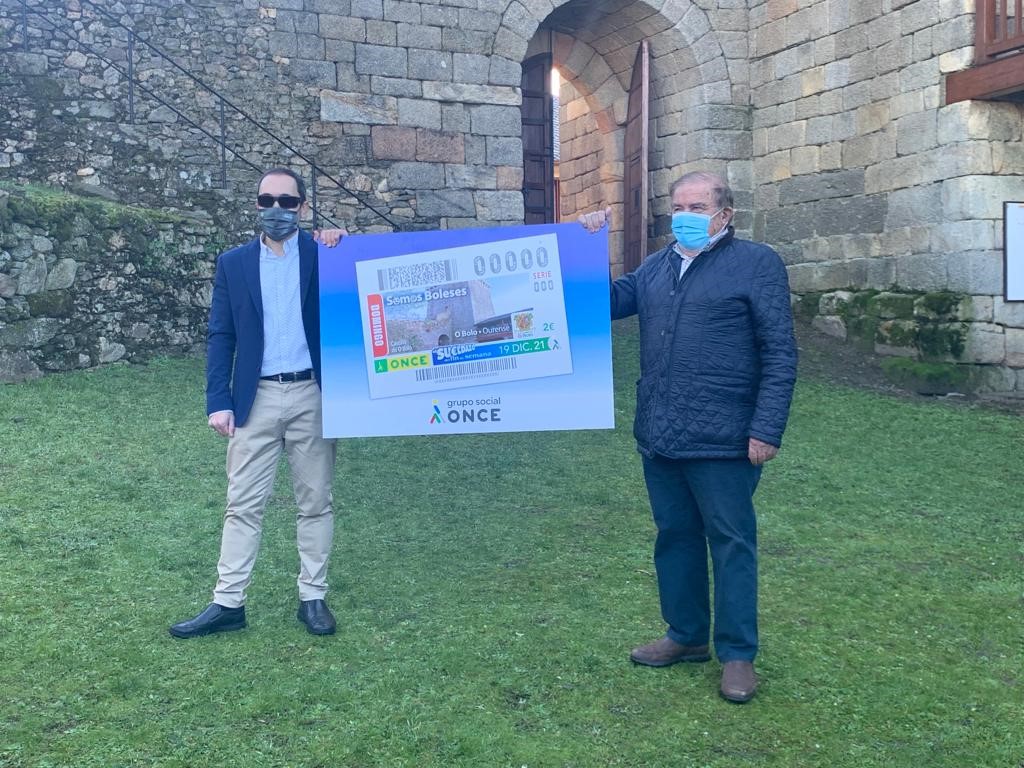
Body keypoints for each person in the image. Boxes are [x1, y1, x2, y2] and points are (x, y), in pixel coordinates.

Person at [579, 171, 797, 702]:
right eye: (678, 206)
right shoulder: (657, 265)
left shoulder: (757, 263)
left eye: (697, 206)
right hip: (661, 434)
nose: (685, 215)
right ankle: (686, 635)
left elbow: (780, 352)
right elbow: (605, 302)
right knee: (674, 538)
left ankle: (738, 654)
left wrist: (766, 428)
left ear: (725, 213)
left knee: (731, 543)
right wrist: (587, 246)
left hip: (726, 438)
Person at [170, 168, 347, 638]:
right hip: (256, 398)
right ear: (256, 205)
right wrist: (218, 400)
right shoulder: (234, 263)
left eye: (287, 202)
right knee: (242, 504)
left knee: (315, 502)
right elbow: (220, 334)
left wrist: (342, 242)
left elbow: (372, 280)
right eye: (266, 200)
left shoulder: (327, 255)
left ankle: (313, 596)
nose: (276, 210)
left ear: (303, 208)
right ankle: (228, 602)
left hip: (314, 393)